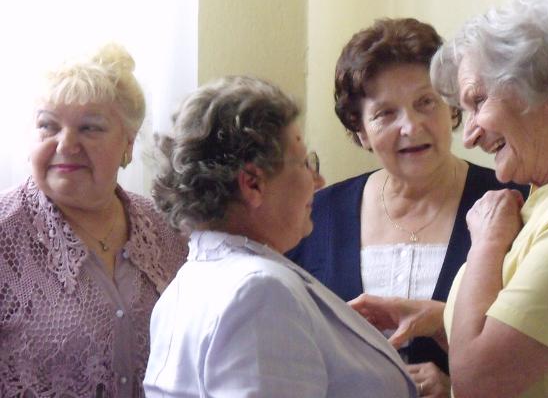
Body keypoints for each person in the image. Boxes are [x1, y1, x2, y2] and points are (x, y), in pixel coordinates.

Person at [351, 0, 548, 397]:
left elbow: (479, 382)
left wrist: (486, 244)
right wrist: (437, 318)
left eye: (478, 101)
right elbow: (534, 340)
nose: (468, 134)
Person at [286, 18, 528, 396]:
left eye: (425, 102)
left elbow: (544, 355)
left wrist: (453, 388)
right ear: (360, 131)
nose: (411, 127)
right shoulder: (315, 215)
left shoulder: (515, 202)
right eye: (385, 113)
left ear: (452, 109)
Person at [143, 75, 417, 398]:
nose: (318, 180)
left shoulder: (184, 286)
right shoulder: (259, 291)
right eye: (304, 163)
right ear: (253, 184)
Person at [0, 44, 187, 397]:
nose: (66, 144)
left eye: (90, 128)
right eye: (48, 126)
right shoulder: (6, 234)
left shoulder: (168, 229)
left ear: (127, 145)